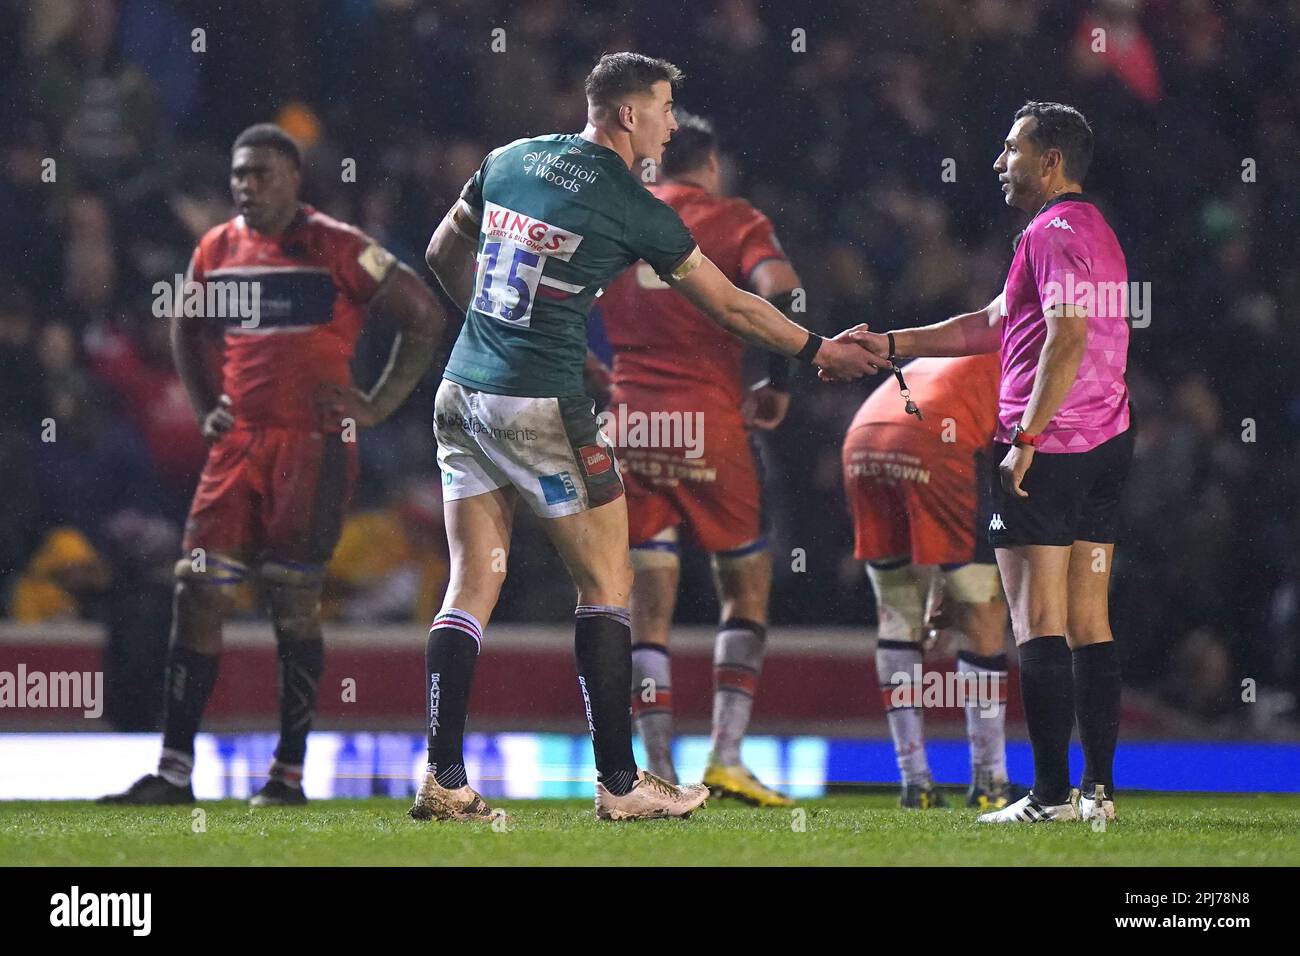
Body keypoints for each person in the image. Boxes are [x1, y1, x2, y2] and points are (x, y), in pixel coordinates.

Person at [418, 52, 885, 823]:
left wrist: (497, 335)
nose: (671, 123)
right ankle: (622, 785)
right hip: (543, 406)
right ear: (629, 115)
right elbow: (733, 308)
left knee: (469, 585)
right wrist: (817, 349)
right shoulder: (631, 203)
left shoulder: (509, 157)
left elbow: (441, 254)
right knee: (607, 586)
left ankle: (443, 777)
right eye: (665, 107)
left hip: (463, 394)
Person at [102, 123, 446, 806]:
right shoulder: (218, 248)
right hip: (239, 449)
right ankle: (173, 773)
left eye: (261, 174)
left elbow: (425, 316)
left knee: (292, 601)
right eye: (239, 175)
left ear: (293, 180)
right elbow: (185, 325)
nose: (246, 186)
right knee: (196, 589)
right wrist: (208, 408)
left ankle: (287, 775)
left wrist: (376, 405)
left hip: (311, 447)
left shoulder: (339, 248)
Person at [851, 102, 1132, 823]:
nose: (999, 162)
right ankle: (1097, 792)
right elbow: (995, 323)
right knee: (1088, 621)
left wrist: (1028, 437)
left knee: (1036, 620)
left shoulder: (1049, 232)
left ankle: (1046, 798)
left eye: (1011, 149)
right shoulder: (1094, 230)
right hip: (1104, 442)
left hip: (1049, 453)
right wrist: (891, 345)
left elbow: (1065, 338)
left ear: (1050, 161)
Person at [598, 111, 797, 806]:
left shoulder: (619, 213)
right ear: (710, 165)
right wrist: (778, 380)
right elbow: (784, 290)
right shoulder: (735, 218)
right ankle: (727, 755)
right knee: (745, 588)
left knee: (645, 607)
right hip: (709, 424)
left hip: (629, 427)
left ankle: (657, 766)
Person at [843, 354, 1025, 810]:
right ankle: (990, 783)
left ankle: (915, 783)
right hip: (935, 437)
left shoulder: (971, 341)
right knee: (984, 608)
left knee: (897, 611)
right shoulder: (1034, 356)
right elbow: (1012, 462)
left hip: (864, 437)